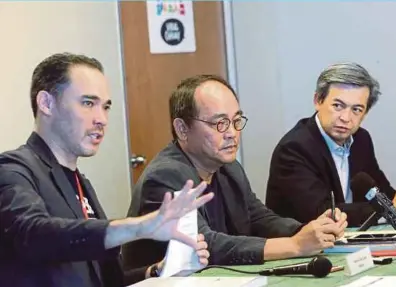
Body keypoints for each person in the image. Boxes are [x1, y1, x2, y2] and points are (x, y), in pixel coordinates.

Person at [0, 52, 213, 287]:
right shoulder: (12, 169)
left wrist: (156, 271)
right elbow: (35, 235)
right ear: (46, 103)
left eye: (106, 107)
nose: (102, 119)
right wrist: (137, 227)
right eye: (88, 103)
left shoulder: (80, 183)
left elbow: (103, 281)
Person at [122, 74, 347, 270]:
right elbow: (205, 244)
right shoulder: (165, 176)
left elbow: (259, 218)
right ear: (182, 129)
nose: (232, 133)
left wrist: (311, 230)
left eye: (236, 121)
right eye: (220, 123)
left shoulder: (228, 167)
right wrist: (295, 245)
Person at [265, 62, 396, 227]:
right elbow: (320, 213)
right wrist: (391, 210)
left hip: (351, 244)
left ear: (365, 112)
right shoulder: (295, 148)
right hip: (303, 249)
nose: (345, 117)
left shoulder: (361, 139)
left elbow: (380, 193)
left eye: (356, 109)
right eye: (338, 106)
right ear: (318, 100)